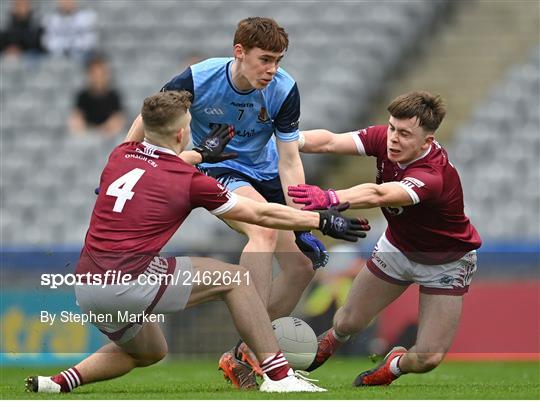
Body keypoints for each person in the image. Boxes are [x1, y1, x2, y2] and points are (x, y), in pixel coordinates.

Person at [26, 91, 370, 394]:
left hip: (87, 285)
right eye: (188, 125)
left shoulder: (121, 154)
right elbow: (260, 215)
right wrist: (320, 219)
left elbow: (162, 164)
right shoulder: (189, 180)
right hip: (130, 281)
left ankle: (58, 383)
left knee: (150, 352)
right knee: (235, 281)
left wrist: (201, 154)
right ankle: (279, 376)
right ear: (180, 133)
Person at [125, 17, 330, 387]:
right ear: (239, 52)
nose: (272, 70)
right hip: (218, 169)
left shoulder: (283, 90)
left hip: (266, 173)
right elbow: (149, 116)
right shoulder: (198, 79)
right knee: (263, 232)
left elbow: (288, 160)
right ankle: (271, 363)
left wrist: (303, 217)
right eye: (265, 59)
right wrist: (126, 161)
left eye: (278, 61)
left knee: (301, 268)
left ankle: (243, 354)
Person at [288, 91, 482, 386]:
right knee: (346, 322)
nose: (393, 138)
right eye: (392, 128)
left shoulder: (433, 175)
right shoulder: (386, 139)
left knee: (427, 358)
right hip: (397, 249)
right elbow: (329, 141)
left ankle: (392, 366)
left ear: (426, 142)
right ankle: (330, 341)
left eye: (404, 134)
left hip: (447, 262)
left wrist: (331, 197)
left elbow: (379, 193)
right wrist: (288, 137)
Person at [68, 54, 125, 137]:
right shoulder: (82, 96)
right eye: (94, 73)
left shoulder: (114, 96)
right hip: (87, 136)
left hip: (108, 136)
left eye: (101, 73)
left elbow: (118, 120)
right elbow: (76, 119)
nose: (98, 77)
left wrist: (102, 130)